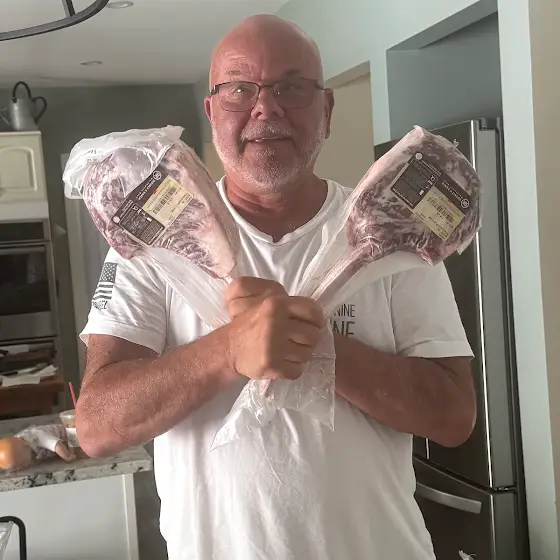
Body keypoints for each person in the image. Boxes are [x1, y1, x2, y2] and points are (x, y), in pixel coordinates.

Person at [76, 14, 476, 560]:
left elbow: (453, 415)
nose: (266, 108)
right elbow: (97, 426)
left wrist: (315, 348)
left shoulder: (393, 231)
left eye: (292, 87)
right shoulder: (153, 241)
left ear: (326, 110)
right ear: (212, 112)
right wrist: (229, 350)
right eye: (240, 89)